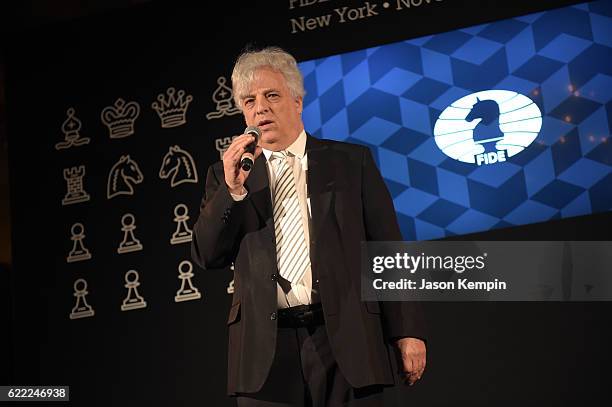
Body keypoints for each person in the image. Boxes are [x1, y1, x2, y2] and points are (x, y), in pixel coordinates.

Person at [191, 46, 426, 407]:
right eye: (250, 100)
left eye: (272, 95)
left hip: (345, 339)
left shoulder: (349, 162)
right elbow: (207, 256)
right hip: (265, 351)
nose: (261, 108)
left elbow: (387, 250)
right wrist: (233, 190)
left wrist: (406, 330)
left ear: (297, 101)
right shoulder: (227, 177)